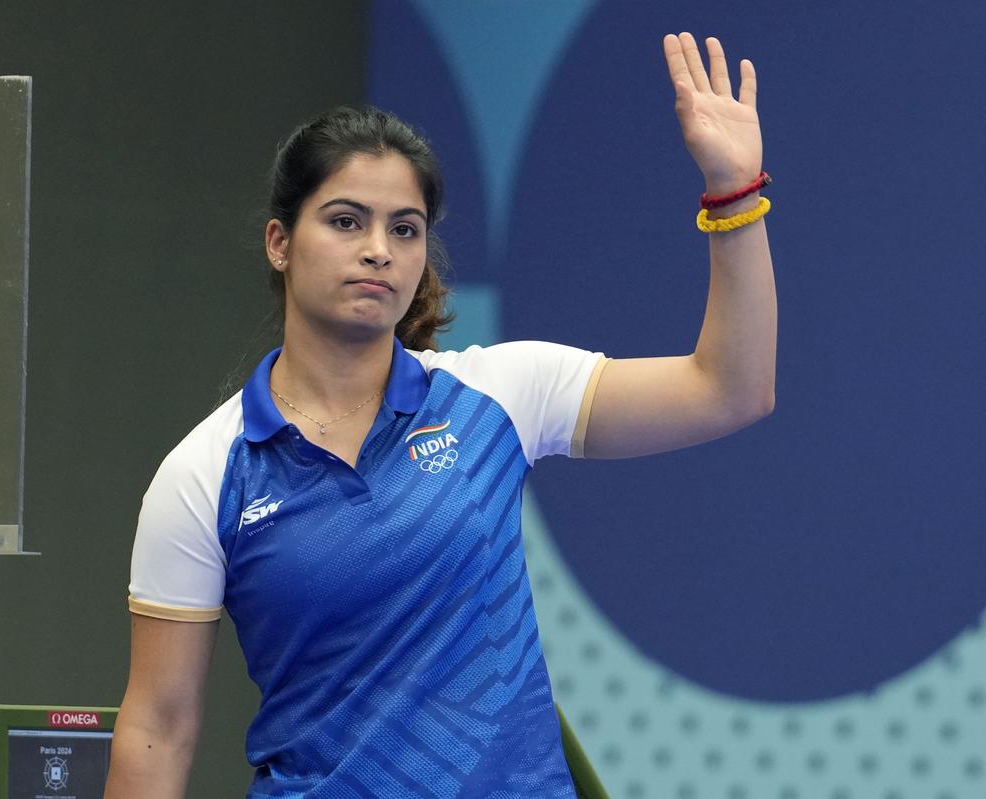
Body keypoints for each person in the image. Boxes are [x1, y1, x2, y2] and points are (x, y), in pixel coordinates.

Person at [104, 32, 775, 799]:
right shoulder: (202, 474)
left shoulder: (502, 394)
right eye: (346, 221)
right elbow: (159, 724)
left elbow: (731, 388)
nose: (379, 251)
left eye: (405, 228)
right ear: (280, 243)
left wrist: (734, 193)